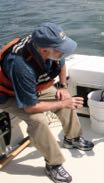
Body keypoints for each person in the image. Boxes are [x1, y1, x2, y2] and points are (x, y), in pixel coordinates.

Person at [0, 22, 94, 183]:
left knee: (65, 99)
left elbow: (61, 63)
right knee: (38, 120)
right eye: (61, 50)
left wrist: (63, 87)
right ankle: (53, 164)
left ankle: (73, 138)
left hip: (33, 85)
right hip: (8, 94)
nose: (64, 52)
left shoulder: (50, 49)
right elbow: (30, 107)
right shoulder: (21, 65)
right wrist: (62, 104)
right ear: (44, 50)